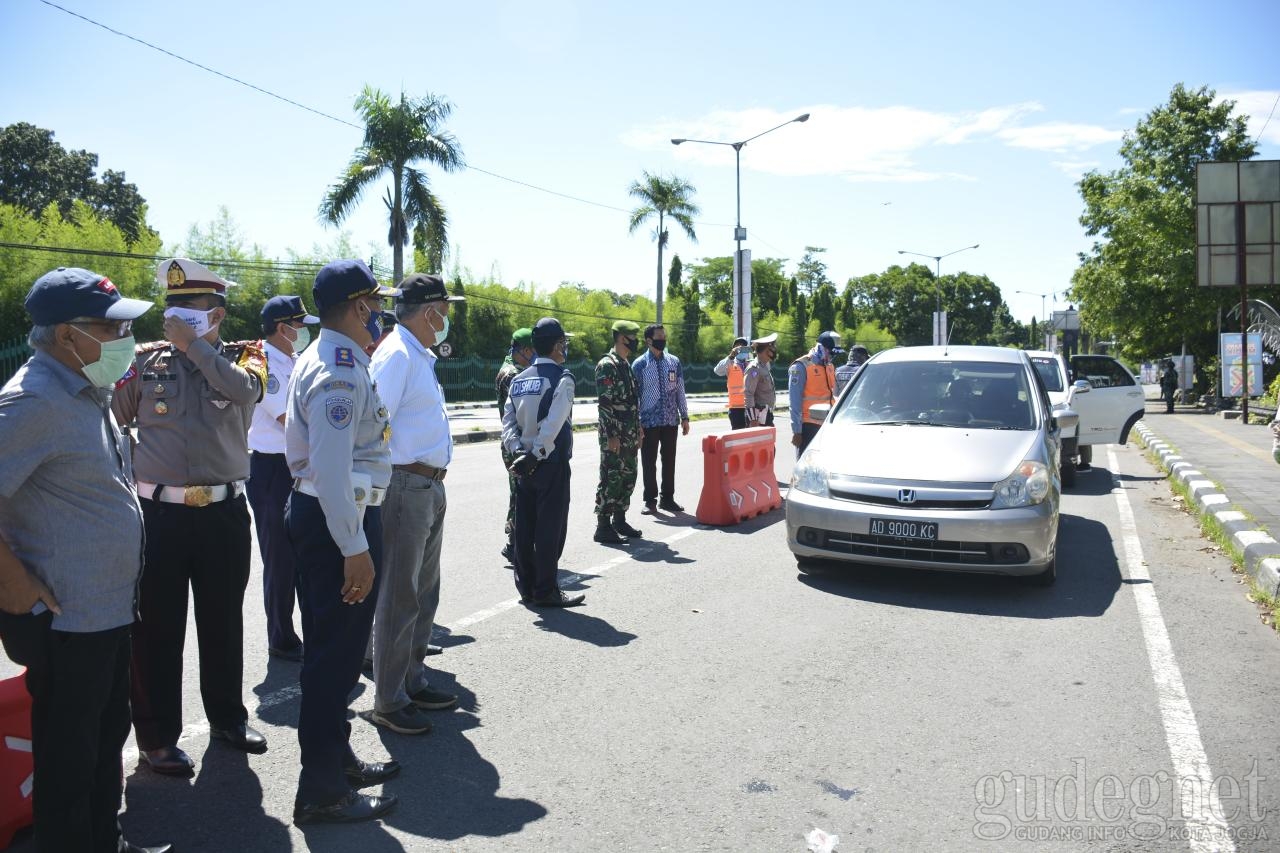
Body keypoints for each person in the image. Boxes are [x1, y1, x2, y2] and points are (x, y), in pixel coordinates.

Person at [0, 268, 170, 853]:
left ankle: (107, 842)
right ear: (69, 335)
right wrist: (15, 586)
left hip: (105, 613)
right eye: (111, 325)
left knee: (103, 745)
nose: (125, 334)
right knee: (69, 764)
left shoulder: (83, 389)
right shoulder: (34, 400)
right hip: (67, 622)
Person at [112, 257, 269, 777]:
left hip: (222, 513)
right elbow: (111, 422)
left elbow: (245, 394)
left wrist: (195, 347)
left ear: (216, 315)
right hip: (160, 516)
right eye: (172, 306)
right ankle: (157, 738)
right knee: (157, 629)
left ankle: (227, 718)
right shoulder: (146, 362)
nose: (176, 316)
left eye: (191, 308)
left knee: (222, 622)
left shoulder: (246, 358)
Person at [285, 259, 401, 824]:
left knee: (337, 651)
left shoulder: (334, 355)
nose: (380, 315)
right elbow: (331, 470)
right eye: (376, 306)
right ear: (359, 308)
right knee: (334, 658)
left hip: (334, 517)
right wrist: (355, 547)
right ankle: (323, 789)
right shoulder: (338, 369)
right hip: (339, 522)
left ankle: (338, 760)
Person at [366, 273, 463, 736]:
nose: (446, 320)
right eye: (444, 311)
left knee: (424, 592)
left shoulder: (416, 354)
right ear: (429, 313)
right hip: (403, 485)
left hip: (428, 486)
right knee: (399, 596)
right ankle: (388, 697)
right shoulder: (397, 355)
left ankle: (412, 678)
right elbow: (372, 424)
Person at [247, 294, 319, 663]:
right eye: (299, 326)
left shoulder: (290, 360)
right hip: (271, 469)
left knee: (304, 554)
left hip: (293, 466)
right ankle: (281, 636)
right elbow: (287, 420)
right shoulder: (260, 363)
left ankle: (305, 631)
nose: (303, 333)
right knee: (279, 557)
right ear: (282, 328)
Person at [501, 317, 584, 608]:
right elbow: (555, 422)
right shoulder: (564, 378)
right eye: (564, 342)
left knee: (526, 527)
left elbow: (508, 421)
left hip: (523, 464)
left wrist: (518, 452)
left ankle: (526, 587)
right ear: (558, 344)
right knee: (550, 527)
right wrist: (536, 454)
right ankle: (545, 589)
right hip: (550, 462)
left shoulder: (519, 380)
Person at [594, 319, 643, 544]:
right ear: (623, 338)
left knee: (628, 476)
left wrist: (639, 427)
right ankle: (603, 525)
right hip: (614, 434)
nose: (636, 342)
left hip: (630, 432)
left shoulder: (625, 365)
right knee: (611, 477)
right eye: (632, 338)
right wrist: (611, 434)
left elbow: (633, 402)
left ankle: (620, 519)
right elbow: (605, 404)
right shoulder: (607, 365)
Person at [632, 324, 690, 514]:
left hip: (670, 420)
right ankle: (650, 500)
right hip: (648, 421)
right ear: (649, 340)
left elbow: (680, 390)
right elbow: (635, 397)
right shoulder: (639, 364)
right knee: (648, 461)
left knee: (669, 460)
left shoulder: (673, 362)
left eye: (664, 336)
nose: (663, 339)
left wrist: (685, 416)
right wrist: (637, 423)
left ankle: (668, 498)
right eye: (659, 336)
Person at [496, 328, 534, 564]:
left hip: (516, 440)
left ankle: (516, 542)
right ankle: (514, 543)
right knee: (520, 492)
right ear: (526, 350)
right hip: (515, 443)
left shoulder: (513, 369)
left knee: (520, 491)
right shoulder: (512, 374)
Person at [789, 330, 842, 456]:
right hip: (808, 426)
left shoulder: (829, 366)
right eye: (831, 352)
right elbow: (794, 401)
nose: (832, 357)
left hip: (827, 423)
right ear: (821, 348)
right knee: (806, 465)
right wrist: (797, 431)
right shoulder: (801, 366)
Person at [713, 336, 750, 430]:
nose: (740, 349)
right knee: (738, 439)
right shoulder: (730, 363)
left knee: (750, 440)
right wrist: (731, 356)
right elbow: (717, 370)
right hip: (736, 409)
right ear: (733, 349)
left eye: (743, 347)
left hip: (751, 407)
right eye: (737, 347)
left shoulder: (751, 364)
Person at [742, 333, 779, 427]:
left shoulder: (764, 366)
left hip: (765, 415)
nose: (774, 349)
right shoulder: (754, 368)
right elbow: (748, 393)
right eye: (771, 346)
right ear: (765, 350)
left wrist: (769, 418)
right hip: (757, 419)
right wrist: (753, 419)